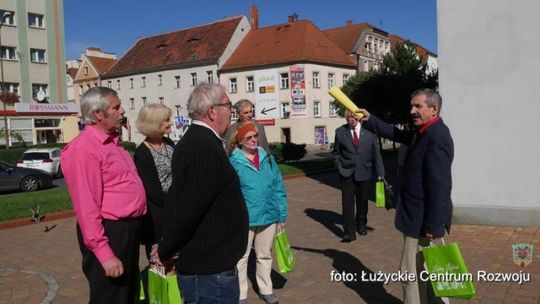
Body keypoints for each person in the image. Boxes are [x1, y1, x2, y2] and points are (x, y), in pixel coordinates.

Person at [154, 83, 249, 303]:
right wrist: (166, 248)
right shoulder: (203, 146)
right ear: (212, 111)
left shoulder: (200, 141)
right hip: (208, 273)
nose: (232, 111)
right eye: (228, 105)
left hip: (211, 267)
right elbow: (188, 208)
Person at [357, 88, 454, 304]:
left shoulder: (436, 137)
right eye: (412, 106)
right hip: (419, 219)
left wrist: (434, 225)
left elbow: (440, 186)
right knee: (429, 272)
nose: (412, 110)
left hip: (422, 222)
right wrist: (370, 119)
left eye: (418, 106)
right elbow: (397, 134)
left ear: (434, 109)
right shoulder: (425, 132)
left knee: (411, 273)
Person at [61, 87, 146, 303]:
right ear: (98, 114)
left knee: (126, 295)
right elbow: (86, 207)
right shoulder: (83, 149)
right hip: (110, 234)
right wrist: (105, 253)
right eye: (116, 107)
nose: (123, 111)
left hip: (127, 232)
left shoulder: (113, 143)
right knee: (110, 297)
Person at [229, 121, 288, 304]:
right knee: (241, 257)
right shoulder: (233, 161)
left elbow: (278, 186)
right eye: (249, 137)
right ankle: (241, 295)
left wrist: (281, 214)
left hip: (269, 215)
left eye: (255, 136)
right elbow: (229, 193)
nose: (254, 140)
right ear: (240, 141)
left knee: (264, 255)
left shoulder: (267, 158)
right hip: (244, 218)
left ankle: (266, 289)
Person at [333, 110, 384, 242]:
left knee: (363, 201)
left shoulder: (370, 134)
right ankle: (349, 232)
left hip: (364, 172)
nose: (352, 119)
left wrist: (380, 173)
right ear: (346, 119)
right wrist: (338, 166)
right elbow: (336, 152)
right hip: (346, 172)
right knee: (347, 203)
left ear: (359, 117)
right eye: (349, 117)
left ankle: (361, 224)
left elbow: (376, 155)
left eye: (354, 116)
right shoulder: (340, 132)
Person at [133, 104, 175, 260]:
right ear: (154, 123)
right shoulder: (142, 153)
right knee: (161, 264)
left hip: (175, 211)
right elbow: (152, 191)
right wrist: (175, 203)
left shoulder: (169, 143)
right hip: (159, 217)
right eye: (166, 120)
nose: (170, 123)